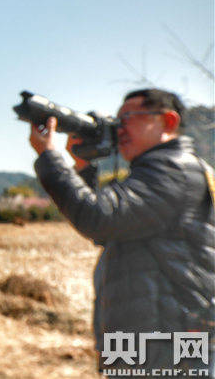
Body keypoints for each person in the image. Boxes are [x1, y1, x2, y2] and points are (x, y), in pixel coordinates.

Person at [29, 88, 214, 374]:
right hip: (147, 341)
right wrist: (83, 166)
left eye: (129, 118)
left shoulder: (173, 170)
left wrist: (49, 156)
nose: (119, 128)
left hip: (169, 344)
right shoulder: (155, 172)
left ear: (168, 122)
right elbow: (110, 231)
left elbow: (99, 219)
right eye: (117, 120)